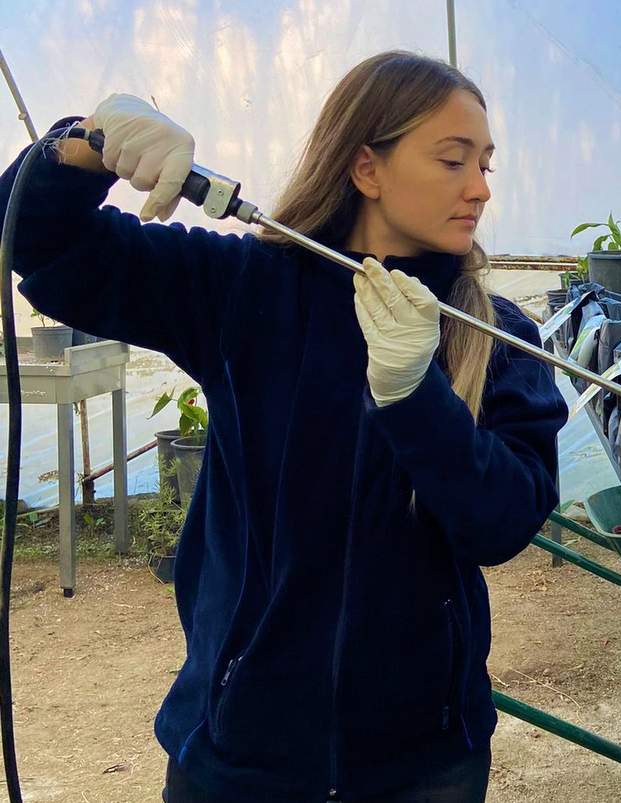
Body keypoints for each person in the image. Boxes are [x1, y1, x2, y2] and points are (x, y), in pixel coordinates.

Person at [0, 51, 568, 802]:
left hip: (422, 763)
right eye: (453, 159)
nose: (480, 189)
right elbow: (43, 250)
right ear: (367, 168)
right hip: (239, 752)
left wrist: (413, 394)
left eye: (485, 164)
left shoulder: (493, 333)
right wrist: (83, 143)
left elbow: (504, 521)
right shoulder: (247, 288)